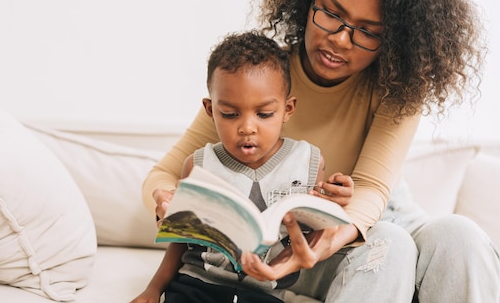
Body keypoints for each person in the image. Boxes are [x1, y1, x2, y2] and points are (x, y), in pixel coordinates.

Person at [142, 0, 500, 303]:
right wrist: (167, 200)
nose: (340, 40)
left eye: (367, 31)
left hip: (380, 220)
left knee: (458, 235)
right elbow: (163, 174)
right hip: (306, 244)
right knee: (388, 245)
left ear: (391, 39)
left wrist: (324, 239)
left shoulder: (398, 89)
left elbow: (372, 191)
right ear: (306, 0)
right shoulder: (260, 82)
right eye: (331, 14)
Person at [131, 31, 354, 303]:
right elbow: (182, 241)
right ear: (210, 110)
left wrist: (335, 202)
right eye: (230, 114)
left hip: (265, 293)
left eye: (264, 114)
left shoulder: (308, 161)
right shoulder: (198, 165)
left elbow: (317, 231)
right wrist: (153, 289)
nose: (247, 127)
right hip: (196, 285)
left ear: (288, 109)